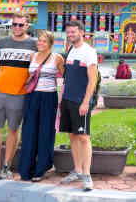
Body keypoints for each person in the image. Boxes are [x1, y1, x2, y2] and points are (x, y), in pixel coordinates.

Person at [0, 13, 37, 179]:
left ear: (27, 26)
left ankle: (6, 166)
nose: (17, 27)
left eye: (21, 25)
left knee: (13, 129)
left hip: (19, 94)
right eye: (14, 24)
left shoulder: (34, 45)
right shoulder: (2, 42)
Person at [58, 20, 99, 191]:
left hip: (80, 101)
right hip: (67, 99)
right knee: (72, 136)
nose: (70, 35)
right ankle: (77, 170)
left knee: (83, 137)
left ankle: (87, 175)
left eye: (73, 32)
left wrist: (85, 102)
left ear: (82, 32)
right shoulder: (71, 50)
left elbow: (92, 80)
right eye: (68, 32)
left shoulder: (89, 52)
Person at [18, 30, 64, 181]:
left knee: (45, 132)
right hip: (31, 97)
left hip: (48, 97)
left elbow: (65, 78)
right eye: (39, 40)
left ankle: (41, 169)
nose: (40, 43)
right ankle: (26, 169)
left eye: (44, 41)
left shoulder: (57, 58)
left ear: (50, 43)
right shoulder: (32, 56)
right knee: (29, 132)